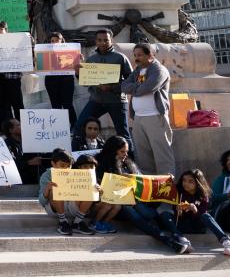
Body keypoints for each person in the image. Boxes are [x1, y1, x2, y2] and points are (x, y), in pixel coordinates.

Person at [94, 136, 191, 254]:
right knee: (133, 213)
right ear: (113, 150)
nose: (125, 154)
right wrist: (116, 170)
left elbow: (143, 180)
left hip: (136, 201)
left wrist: (163, 179)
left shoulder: (129, 163)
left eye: (126, 151)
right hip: (116, 205)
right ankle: (166, 240)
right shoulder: (100, 164)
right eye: (122, 151)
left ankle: (178, 235)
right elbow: (102, 186)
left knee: (155, 213)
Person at [121, 43, 175, 176]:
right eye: (135, 55)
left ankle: (167, 189)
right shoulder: (138, 70)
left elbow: (147, 88)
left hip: (155, 117)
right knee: (143, 157)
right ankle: (149, 189)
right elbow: (124, 86)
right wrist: (137, 87)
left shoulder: (159, 70)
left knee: (162, 156)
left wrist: (135, 88)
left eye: (139, 55)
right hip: (138, 118)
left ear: (150, 55)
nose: (136, 58)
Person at [72, 29, 133, 143]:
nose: (103, 42)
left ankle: (130, 160)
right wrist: (78, 73)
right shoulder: (91, 59)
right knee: (79, 126)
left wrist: (112, 87)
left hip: (117, 101)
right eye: (100, 40)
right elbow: (85, 82)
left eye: (106, 40)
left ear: (111, 40)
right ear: (96, 41)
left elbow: (131, 80)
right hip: (96, 100)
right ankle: (81, 156)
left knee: (123, 134)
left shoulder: (120, 58)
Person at [159, 169, 230, 256]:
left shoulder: (203, 196)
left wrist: (195, 210)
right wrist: (168, 180)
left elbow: (202, 216)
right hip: (182, 225)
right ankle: (182, 239)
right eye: (184, 180)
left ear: (198, 183)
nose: (186, 184)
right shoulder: (179, 191)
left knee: (206, 215)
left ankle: (226, 241)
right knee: (165, 214)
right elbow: (164, 189)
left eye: (190, 181)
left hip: (197, 226)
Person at [38, 149, 96, 235]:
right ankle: (63, 222)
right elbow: (41, 202)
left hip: (74, 207)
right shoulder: (46, 176)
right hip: (55, 210)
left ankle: (78, 222)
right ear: (53, 164)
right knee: (54, 189)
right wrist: (47, 190)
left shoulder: (79, 174)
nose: (66, 168)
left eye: (69, 166)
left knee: (91, 188)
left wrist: (96, 189)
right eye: (62, 165)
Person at [73, 154, 121, 233]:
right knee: (106, 204)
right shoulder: (73, 179)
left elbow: (102, 198)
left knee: (117, 206)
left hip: (92, 208)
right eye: (85, 166)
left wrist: (100, 192)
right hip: (78, 207)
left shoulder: (97, 180)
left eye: (91, 166)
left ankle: (103, 223)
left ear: (95, 168)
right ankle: (93, 224)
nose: (88, 169)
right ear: (79, 167)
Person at [43, 32, 77, 125]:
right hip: (51, 81)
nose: (54, 43)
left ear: (62, 41)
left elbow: (76, 67)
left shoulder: (70, 52)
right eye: (52, 41)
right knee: (55, 106)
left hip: (66, 80)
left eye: (57, 40)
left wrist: (78, 60)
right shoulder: (45, 53)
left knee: (67, 105)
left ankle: (74, 127)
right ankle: (59, 128)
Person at [0, 118, 43, 185]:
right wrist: (29, 162)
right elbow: (10, 165)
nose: (22, 126)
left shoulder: (28, 139)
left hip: (35, 172)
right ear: (11, 130)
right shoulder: (7, 144)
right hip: (21, 177)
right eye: (18, 125)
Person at [211, 150, 230, 233]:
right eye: (227, 160)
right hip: (225, 215)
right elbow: (211, 198)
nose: (229, 162)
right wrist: (228, 195)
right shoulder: (222, 179)